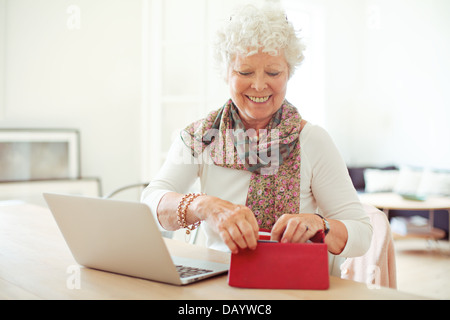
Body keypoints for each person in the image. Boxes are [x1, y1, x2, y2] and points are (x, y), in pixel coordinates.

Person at [141, 3, 372, 276]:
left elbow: (362, 233)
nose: (260, 85)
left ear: (289, 72)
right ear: (226, 72)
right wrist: (204, 205)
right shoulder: (201, 137)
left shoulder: (313, 141)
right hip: (221, 282)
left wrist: (321, 225)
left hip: (296, 283)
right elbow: (149, 203)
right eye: (245, 72)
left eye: (273, 72)